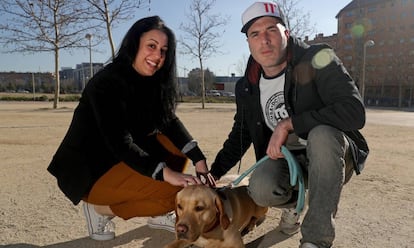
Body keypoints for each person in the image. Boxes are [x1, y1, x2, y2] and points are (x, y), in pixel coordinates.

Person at [209, 2, 369, 248]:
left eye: (271, 30)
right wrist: (213, 173)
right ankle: (295, 206)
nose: (264, 40)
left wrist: (289, 123)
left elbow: (354, 112)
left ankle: (315, 240)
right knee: (260, 188)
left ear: (286, 33)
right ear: (249, 44)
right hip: (287, 162)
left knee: (322, 134)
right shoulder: (247, 86)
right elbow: (240, 134)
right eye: (255, 34)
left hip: (332, 157)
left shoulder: (319, 58)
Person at [47, 16, 214, 241]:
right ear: (134, 43)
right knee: (174, 194)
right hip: (92, 170)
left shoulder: (152, 82)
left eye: (163, 50)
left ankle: (155, 213)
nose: (157, 56)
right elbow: (120, 144)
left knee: (173, 145)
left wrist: (199, 159)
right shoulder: (106, 82)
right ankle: (100, 209)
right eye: (151, 46)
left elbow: (169, 122)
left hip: (121, 161)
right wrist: (167, 174)